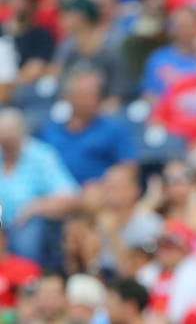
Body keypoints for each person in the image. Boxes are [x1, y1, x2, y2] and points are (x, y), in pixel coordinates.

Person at [0, 108, 77, 267]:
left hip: (28, 222)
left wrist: (33, 208)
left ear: (22, 134)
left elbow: (69, 196)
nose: (5, 143)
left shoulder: (42, 156)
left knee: (28, 234)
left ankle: (27, 280)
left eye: (9, 137)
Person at [41, 68, 137, 184]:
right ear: (68, 97)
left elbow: (128, 168)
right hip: (56, 196)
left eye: (95, 93)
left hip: (99, 196)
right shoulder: (51, 133)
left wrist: (105, 186)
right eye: (84, 94)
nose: (92, 99)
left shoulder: (114, 130)